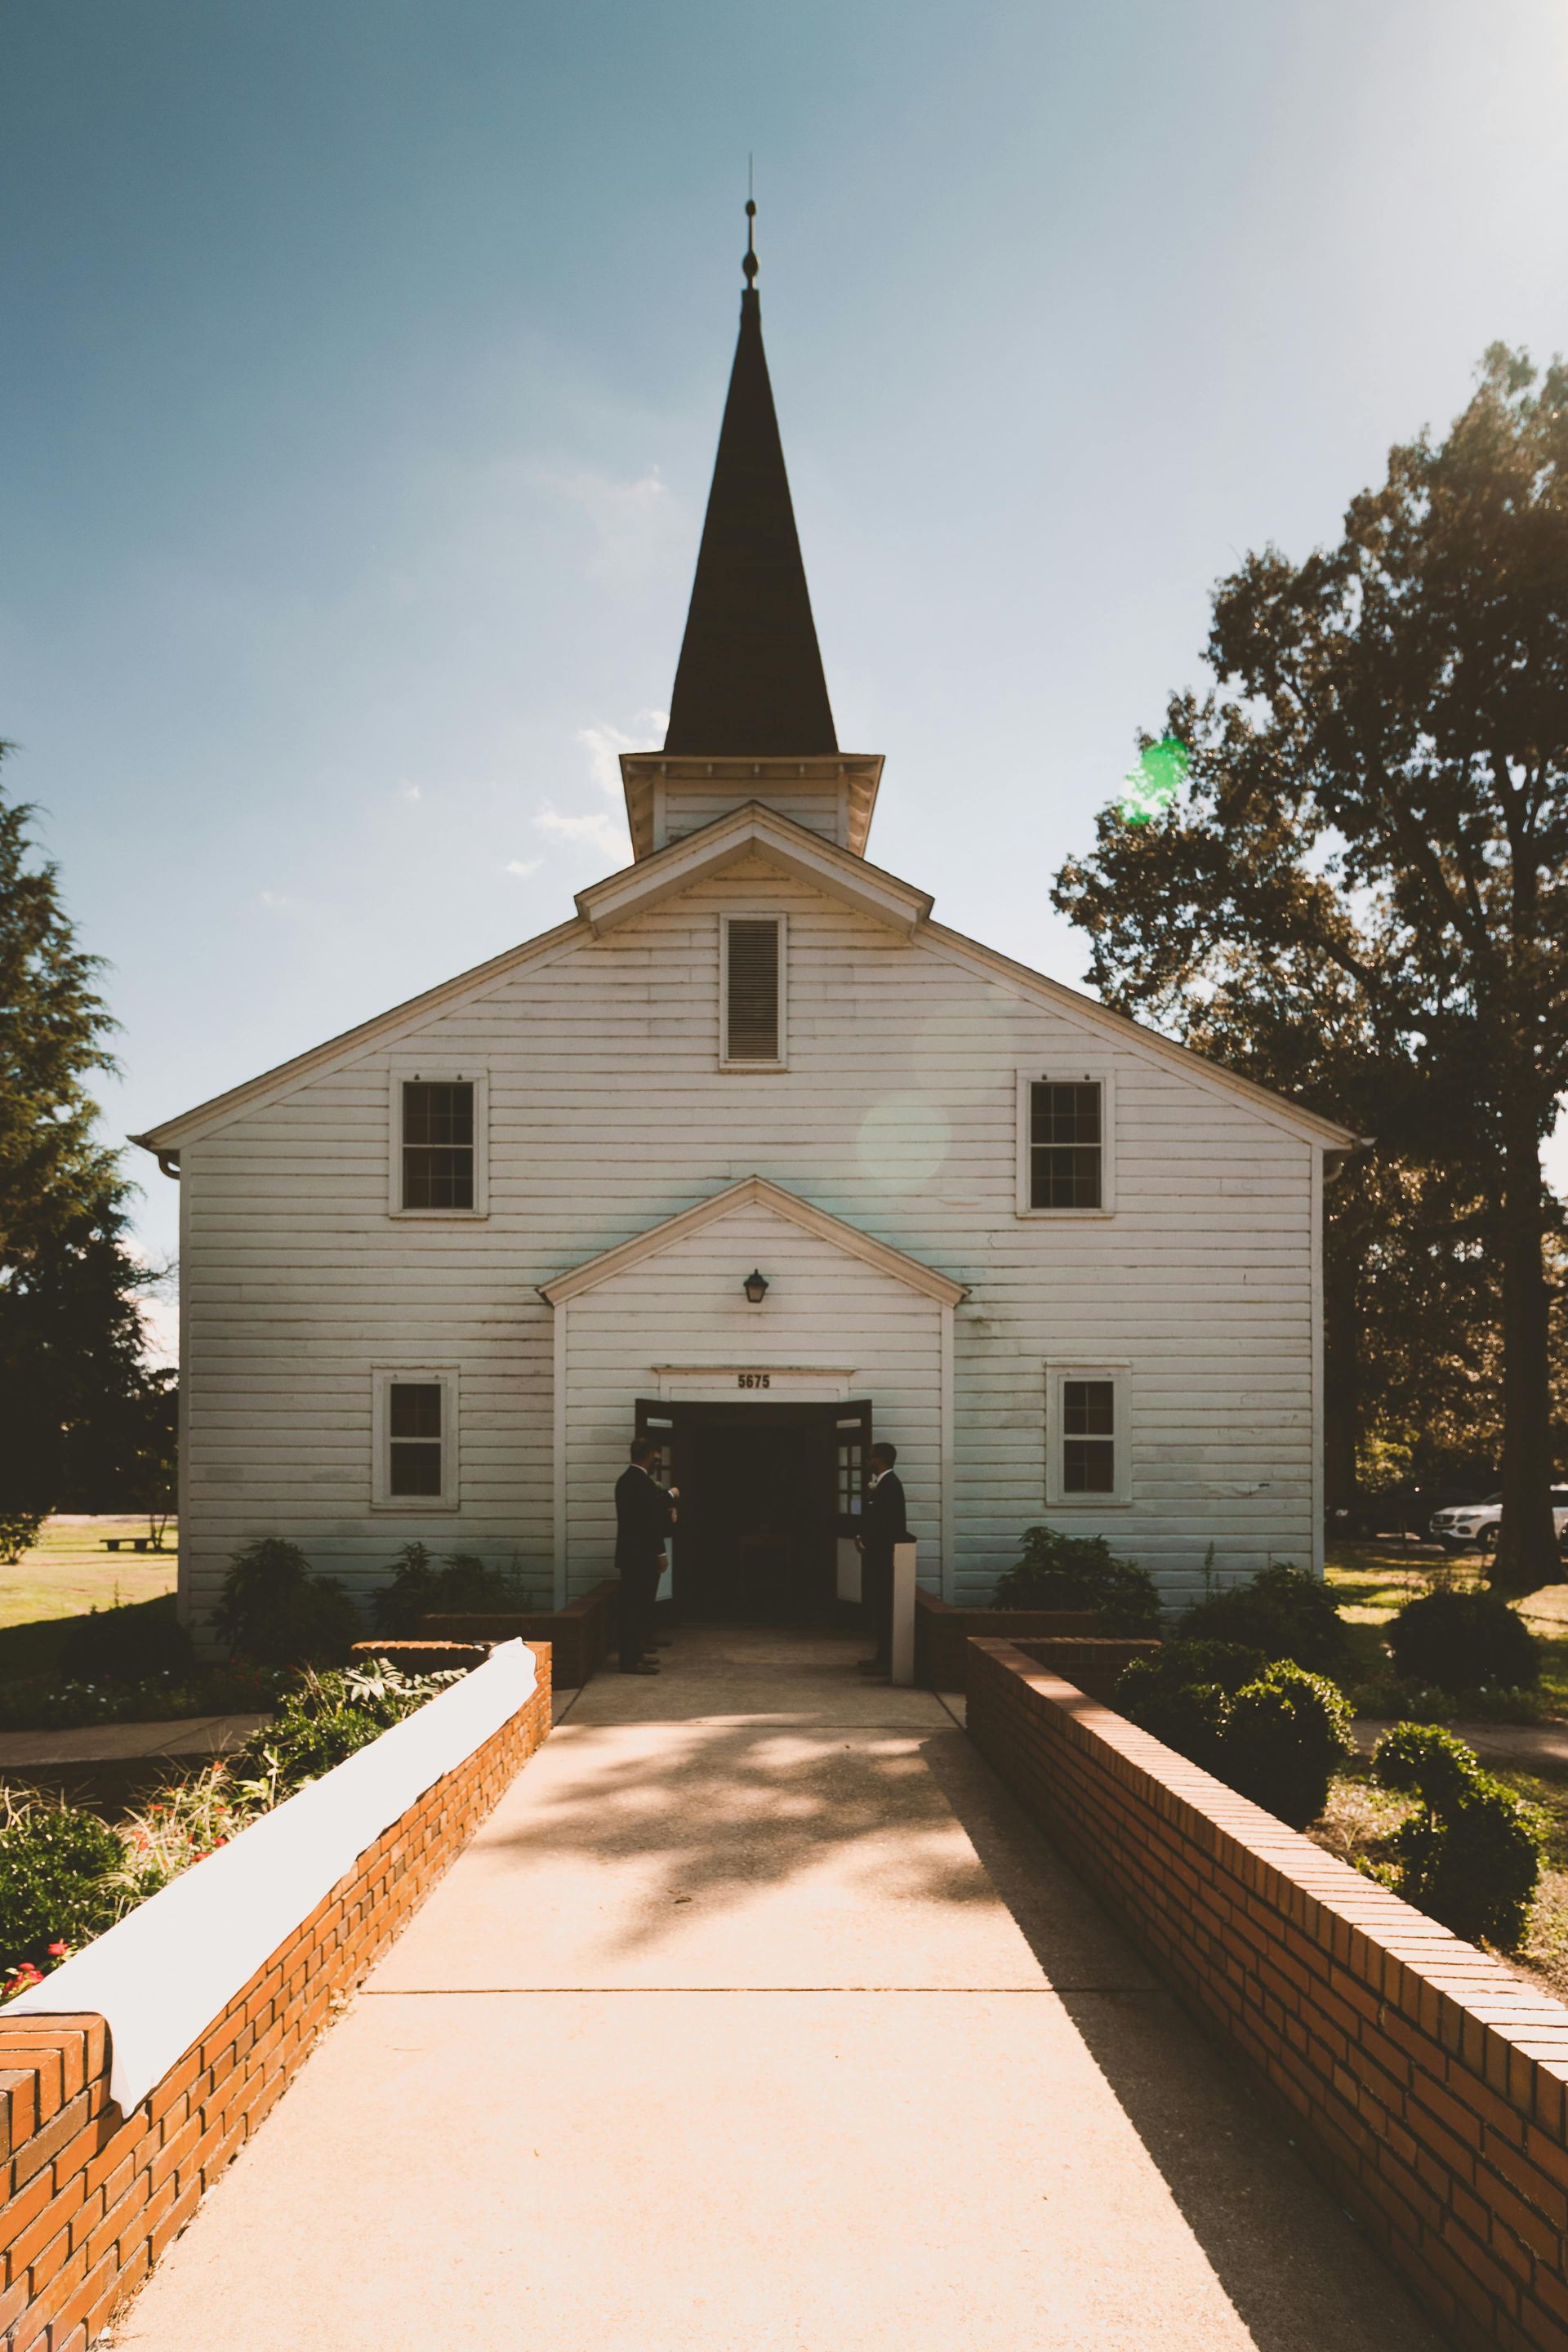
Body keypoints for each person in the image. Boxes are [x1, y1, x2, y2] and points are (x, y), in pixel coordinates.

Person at [615, 1439, 676, 1675]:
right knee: (634, 1609)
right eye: (656, 1457)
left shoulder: (627, 1481)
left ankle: (636, 1654)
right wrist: (660, 1553)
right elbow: (649, 1523)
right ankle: (630, 1661)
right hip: (640, 1557)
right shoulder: (640, 1483)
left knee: (637, 1607)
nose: (657, 1461)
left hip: (632, 1555)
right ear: (649, 1455)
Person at [856, 1441, 907, 1678]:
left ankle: (886, 1659)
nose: (868, 1462)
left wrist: (870, 1545)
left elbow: (887, 1523)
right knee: (879, 1604)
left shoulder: (891, 1485)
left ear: (881, 1459)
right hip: (878, 1553)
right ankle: (881, 1655)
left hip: (884, 1555)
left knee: (885, 1605)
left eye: (871, 1458)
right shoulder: (882, 1484)